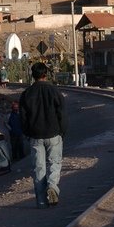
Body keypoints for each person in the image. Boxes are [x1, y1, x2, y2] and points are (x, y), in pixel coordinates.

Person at [19, 61, 67, 208]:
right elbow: (62, 114)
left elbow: (23, 117)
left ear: (33, 76)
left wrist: (27, 133)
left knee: (39, 168)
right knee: (54, 163)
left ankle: (41, 201)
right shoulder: (55, 91)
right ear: (46, 74)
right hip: (53, 134)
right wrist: (62, 132)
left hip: (35, 136)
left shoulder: (27, 94)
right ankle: (52, 186)